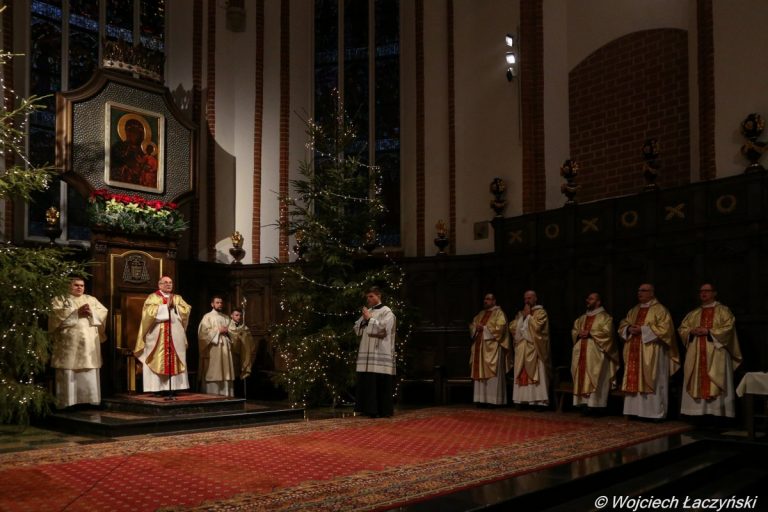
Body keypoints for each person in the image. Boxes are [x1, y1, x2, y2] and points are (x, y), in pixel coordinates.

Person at [678, 283, 742, 418]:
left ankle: (718, 414)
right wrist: (691, 331)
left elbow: (728, 328)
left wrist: (708, 331)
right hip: (696, 353)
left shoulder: (723, 311)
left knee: (715, 379)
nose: (703, 293)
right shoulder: (693, 313)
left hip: (716, 352)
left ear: (714, 293)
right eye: (701, 291)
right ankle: (697, 414)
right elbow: (682, 329)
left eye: (707, 291)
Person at [619, 283, 680, 419]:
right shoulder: (634, 310)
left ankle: (654, 413)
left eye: (643, 290)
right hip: (634, 350)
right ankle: (634, 412)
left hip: (653, 352)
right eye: (639, 290)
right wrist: (628, 329)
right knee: (634, 378)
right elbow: (623, 324)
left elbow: (666, 330)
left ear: (652, 293)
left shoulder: (661, 310)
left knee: (654, 379)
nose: (639, 293)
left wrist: (642, 330)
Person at [49, 277, 108, 408]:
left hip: (88, 343)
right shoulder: (60, 299)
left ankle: (89, 401)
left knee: (89, 367)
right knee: (68, 368)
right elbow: (55, 318)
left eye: (82, 285)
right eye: (76, 285)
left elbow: (103, 313)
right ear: (69, 286)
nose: (79, 287)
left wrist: (91, 313)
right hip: (69, 342)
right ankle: (67, 402)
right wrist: (76, 313)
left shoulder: (91, 300)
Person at [134, 276, 192, 396]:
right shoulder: (152, 297)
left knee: (176, 357)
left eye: (170, 282)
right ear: (159, 285)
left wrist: (175, 307)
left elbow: (186, 310)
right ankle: (157, 388)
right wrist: (165, 307)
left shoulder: (177, 298)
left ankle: (174, 387)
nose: (168, 284)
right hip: (157, 334)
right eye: (165, 282)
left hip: (175, 334)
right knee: (156, 358)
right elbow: (148, 313)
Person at [570, 292, 619, 411]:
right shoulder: (582, 318)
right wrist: (578, 333)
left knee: (597, 376)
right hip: (581, 352)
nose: (587, 300)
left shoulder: (605, 317)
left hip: (597, 354)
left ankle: (596, 406)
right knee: (582, 376)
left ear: (598, 302)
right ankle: (584, 404)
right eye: (587, 298)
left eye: (591, 299)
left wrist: (591, 333)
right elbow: (574, 330)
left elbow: (608, 334)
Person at [353, 286, 397, 418]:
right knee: (367, 381)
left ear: (379, 296)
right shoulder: (369, 311)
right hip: (366, 351)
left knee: (378, 381)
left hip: (380, 352)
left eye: (371, 296)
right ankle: (367, 409)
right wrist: (364, 320)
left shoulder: (387, 312)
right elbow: (357, 328)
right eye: (367, 297)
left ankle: (380, 410)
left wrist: (369, 319)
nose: (369, 299)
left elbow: (383, 329)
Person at [509, 290, 551, 407]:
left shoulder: (541, 312)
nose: (527, 301)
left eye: (529, 298)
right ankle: (523, 400)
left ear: (535, 298)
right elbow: (513, 328)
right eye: (525, 298)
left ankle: (539, 401)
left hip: (535, 349)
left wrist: (528, 316)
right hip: (522, 348)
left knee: (538, 373)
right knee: (522, 373)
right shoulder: (521, 313)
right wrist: (523, 317)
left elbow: (538, 329)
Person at [469, 293, 510, 406]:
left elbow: (500, 329)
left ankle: (493, 401)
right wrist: (475, 327)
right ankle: (481, 399)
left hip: (493, 349)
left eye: (488, 299)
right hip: (480, 348)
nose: (485, 301)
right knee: (480, 374)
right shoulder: (481, 314)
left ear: (494, 301)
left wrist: (484, 328)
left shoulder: (499, 313)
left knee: (493, 376)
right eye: (485, 299)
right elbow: (473, 325)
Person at [198, 296, 236, 397]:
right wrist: (218, 330)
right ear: (212, 304)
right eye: (217, 302)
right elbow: (203, 334)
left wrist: (228, 331)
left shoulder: (226, 317)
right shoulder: (207, 317)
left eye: (221, 303)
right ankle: (212, 395)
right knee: (214, 371)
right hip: (214, 347)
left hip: (225, 345)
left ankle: (227, 395)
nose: (220, 304)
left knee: (226, 371)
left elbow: (233, 332)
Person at [229, 308, 258, 379]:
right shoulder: (228, 326)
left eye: (240, 315)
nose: (239, 317)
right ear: (231, 315)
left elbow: (250, 341)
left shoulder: (245, 328)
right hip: (232, 352)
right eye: (236, 315)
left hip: (243, 352)